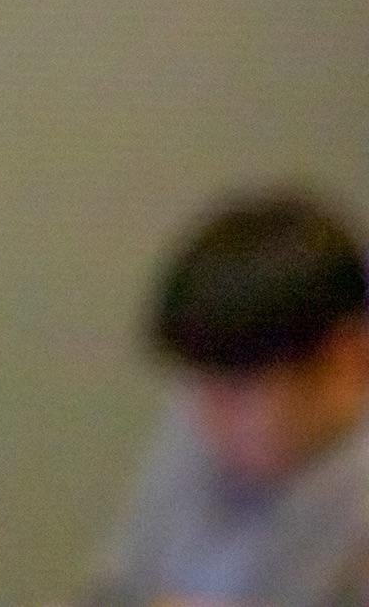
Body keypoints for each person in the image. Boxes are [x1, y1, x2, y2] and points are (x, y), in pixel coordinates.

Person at [79, 187, 369, 607]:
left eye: (235, 392)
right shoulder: (204, 421)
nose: (204, 418)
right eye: (196, 386)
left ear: (345, 359)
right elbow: (117, 588)